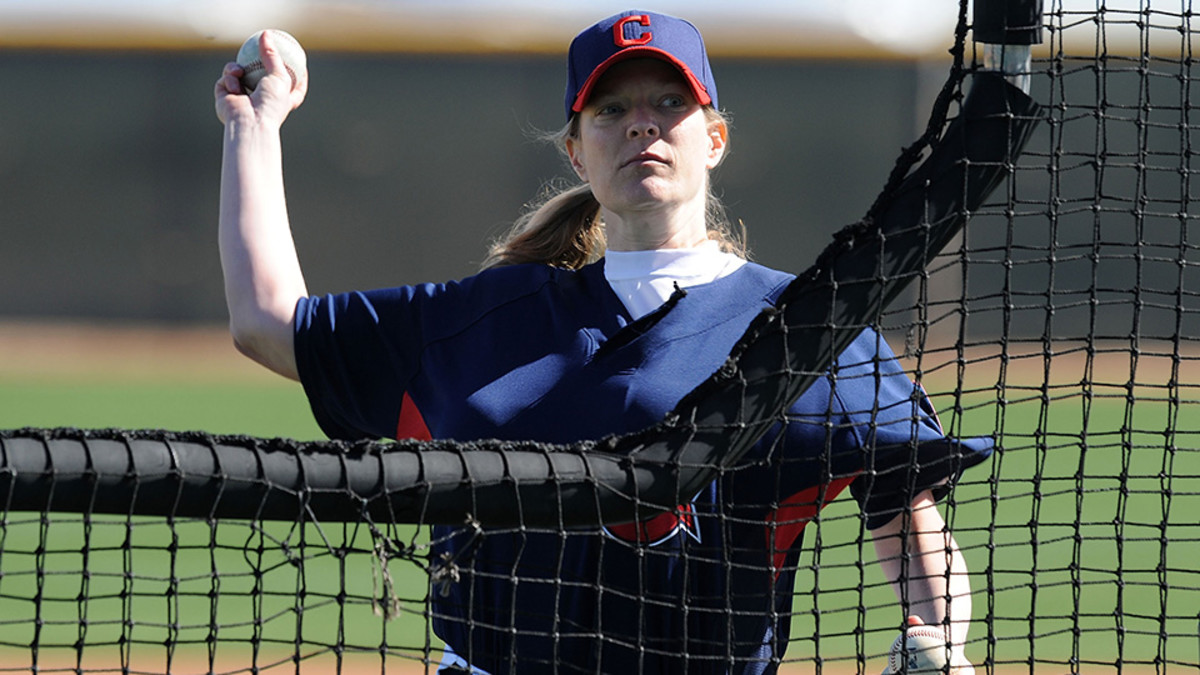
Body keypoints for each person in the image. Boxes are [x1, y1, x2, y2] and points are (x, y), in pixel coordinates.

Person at [214, 9, 1038, 675]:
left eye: (668, 104)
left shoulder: (807, 326)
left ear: (714, 138)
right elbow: (266, 322)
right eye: (612, 110)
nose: (642, 126)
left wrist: (941, 640)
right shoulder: (483, 320)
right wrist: (256, 124)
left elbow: (906, 516)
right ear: (578, 150)